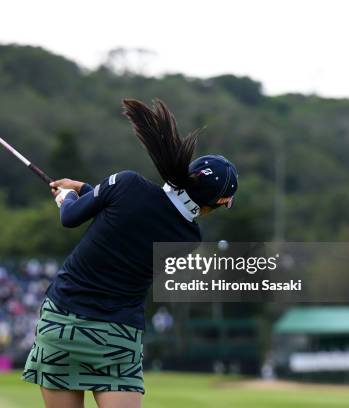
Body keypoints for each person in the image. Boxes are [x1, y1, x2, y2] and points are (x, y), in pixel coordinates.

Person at [22, 98, 238, 408]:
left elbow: (72, 218)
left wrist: (68, 197)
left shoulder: (126, 184)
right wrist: (85, 189)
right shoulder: (189, 237)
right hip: (117, 337)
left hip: (62, 323)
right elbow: (135, 216)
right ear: (214, 204)